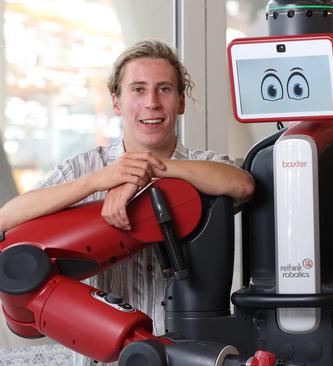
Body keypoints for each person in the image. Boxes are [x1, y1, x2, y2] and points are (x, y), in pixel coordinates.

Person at [0, 40, 254, 365]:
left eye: (164, 89)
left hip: (186, 353)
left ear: (181, 103)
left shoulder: (202, 166)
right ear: (117, 102)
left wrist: (150, 170)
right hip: (102, 357)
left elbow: (243, 185)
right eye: (138, 89)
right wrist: (99, 181)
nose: (151, 102)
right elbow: (7, 219)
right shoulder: (85, 168)